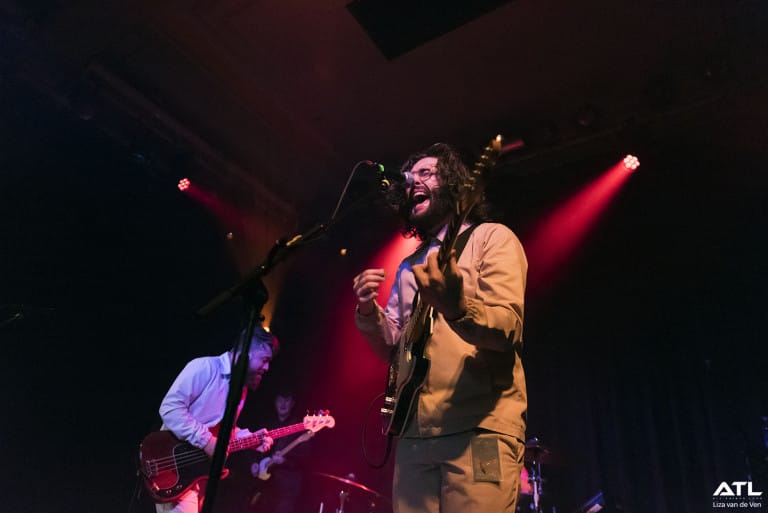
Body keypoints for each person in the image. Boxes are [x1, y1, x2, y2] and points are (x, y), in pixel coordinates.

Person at [352, 143, 528, 513]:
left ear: (454, 184)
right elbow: (394, 348)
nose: (413, 182)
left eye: (427, 173)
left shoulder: (492, 238)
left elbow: (507, 327)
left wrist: (457, 307)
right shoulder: (409, 265)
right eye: (409, 179)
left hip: (480, 426)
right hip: (415, 433)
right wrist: (368, 312)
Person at [154, 326, 279, 513]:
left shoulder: (241, 389)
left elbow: (222, 431)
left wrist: (251, 438)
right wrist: (206, 441)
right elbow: (170, 408)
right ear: (246, 352)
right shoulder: (204, 367)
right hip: (174, 466)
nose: (267, 367)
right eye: (265, 359)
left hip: (198, 474)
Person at [249, 389, 313, 513]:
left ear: (292, 403)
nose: (283, 404)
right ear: (274, 402)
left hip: (287, 488)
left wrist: (285, 461)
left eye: (287, 400)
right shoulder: (266, 424)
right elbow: (252, 447)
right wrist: (253, 463)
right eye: (280, 400)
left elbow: (305, 458)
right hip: (264, 487)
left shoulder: (298, 427)